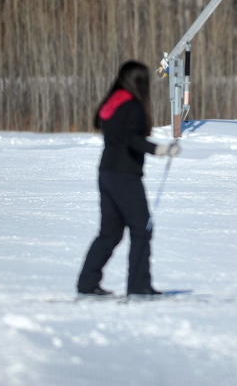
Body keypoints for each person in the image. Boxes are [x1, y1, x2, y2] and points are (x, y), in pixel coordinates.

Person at [77, 61, 180, 297]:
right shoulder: (132, 106)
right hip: (125, 175)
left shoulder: (112, 102)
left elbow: (119, 135)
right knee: (141, 228)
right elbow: (132, 139)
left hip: (106, 173)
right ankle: (139, 286)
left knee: (110, 233)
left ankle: (87, 284)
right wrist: (160, 150)